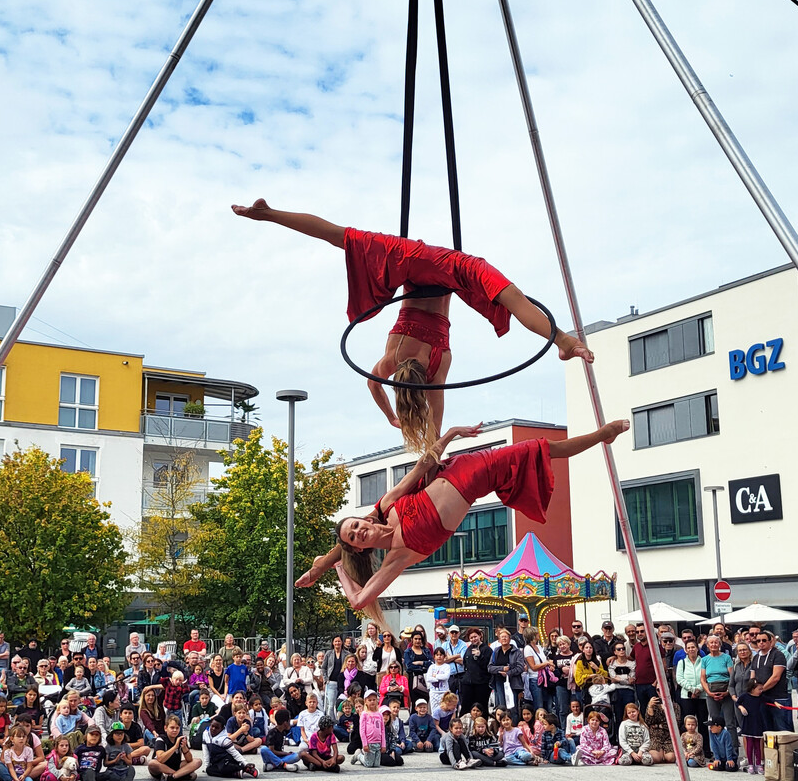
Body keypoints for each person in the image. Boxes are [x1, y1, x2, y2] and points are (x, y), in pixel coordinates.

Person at [231, 201, 594, 449]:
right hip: (415, 263)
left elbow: (435, 418)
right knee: (342, 236)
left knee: (512, 299)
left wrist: (429, 448)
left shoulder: (437, 365)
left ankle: (563, 340)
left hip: (449, 268)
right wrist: (391, 415)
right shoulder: (390, 363)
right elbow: (374, 386)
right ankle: (268, 213)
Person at [298, 420, 630, 628]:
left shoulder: (387, 505)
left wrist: (451, 434)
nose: (359, 530)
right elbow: (358, 601)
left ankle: (602, 435)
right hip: (476, 484)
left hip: (462, 466)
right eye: (354, 536)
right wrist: (336, 566)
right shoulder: (398, 556)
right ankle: (602, 436)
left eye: (356, 524)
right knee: (535, 451)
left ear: (362, 519)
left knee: (537, 448)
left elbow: (422, 466)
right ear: (357, 547)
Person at [751, 631, 792, 732]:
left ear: (770, 641)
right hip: (762, 699)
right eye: (758, 641)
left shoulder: (778, 655)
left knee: (782, 729)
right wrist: (752, 691)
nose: (761, 642)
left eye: (764, 640)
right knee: (767, 730)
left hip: (778, 698)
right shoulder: (756, 657)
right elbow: (752, 677)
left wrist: (760, 690)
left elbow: (775, 677)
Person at [148, 715, 202, 781]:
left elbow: (189, 760)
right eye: (172, 728)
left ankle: (173, 776)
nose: (175, 730)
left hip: (176, 765)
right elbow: (160, 759)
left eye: (177, 728)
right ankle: (180, 775)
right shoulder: (161, 739)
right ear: (165, 728)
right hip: (162, 766)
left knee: (198, 761)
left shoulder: (180, 738)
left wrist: (185, 748)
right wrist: (175, 747)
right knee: (152, 763)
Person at [460, 628, 492, 715]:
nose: (473, 639)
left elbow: (488, 666)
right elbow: (465, 662)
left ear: (480, 636)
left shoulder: (487, 649)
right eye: (471, 638)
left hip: (481, 683)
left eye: (475, 636)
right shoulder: (469, 649)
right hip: (468, 682)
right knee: (466, 705)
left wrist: (480, 656)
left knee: (481, 706)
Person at [737, 682, 766, 774]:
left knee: (757, 745)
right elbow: (737, 703)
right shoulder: (745, 696)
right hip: (748, 722)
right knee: (749, 745)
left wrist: (776, 703)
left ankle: (758, 764)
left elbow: (769, 700)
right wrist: (741, 707)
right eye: (759, 689)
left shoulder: (761, 697)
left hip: (757, 723)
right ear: (752, 689)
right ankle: (750, 764)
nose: (761, 691)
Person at [352, 690, 385, 767]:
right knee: (368, 764)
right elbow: (362, 730)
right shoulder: (364, 714)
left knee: (376, 765)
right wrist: (365, 744)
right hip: (369, 742)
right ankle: (359, 756)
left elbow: (382, 730)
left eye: (374, 700)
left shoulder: (379, 714)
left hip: (378, 742)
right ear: (365, 702)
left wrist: (383, 744)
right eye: (369, 700)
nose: (372, 702)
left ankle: (365, 756)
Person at [645, 695, 679, 764]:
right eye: (658, 690)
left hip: (669, 736)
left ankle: (664, 754)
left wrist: (658, 725)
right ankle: (660, 754)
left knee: (670, 758)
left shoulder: (675, 706)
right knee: (655, 758)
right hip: (655, 735)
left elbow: (674, 723)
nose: (660, 692)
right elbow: (648, 722)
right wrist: (650, 707)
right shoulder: (653, 704)